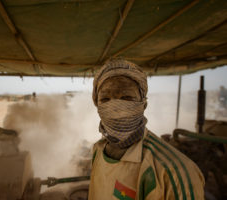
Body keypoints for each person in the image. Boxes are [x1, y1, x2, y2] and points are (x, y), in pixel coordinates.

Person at [88, 59, 205, 200]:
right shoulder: (97, 152)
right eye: (105, 99)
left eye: (127, 98)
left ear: (144, 104)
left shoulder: (173, 172)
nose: (116, 108)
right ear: (97, 104)